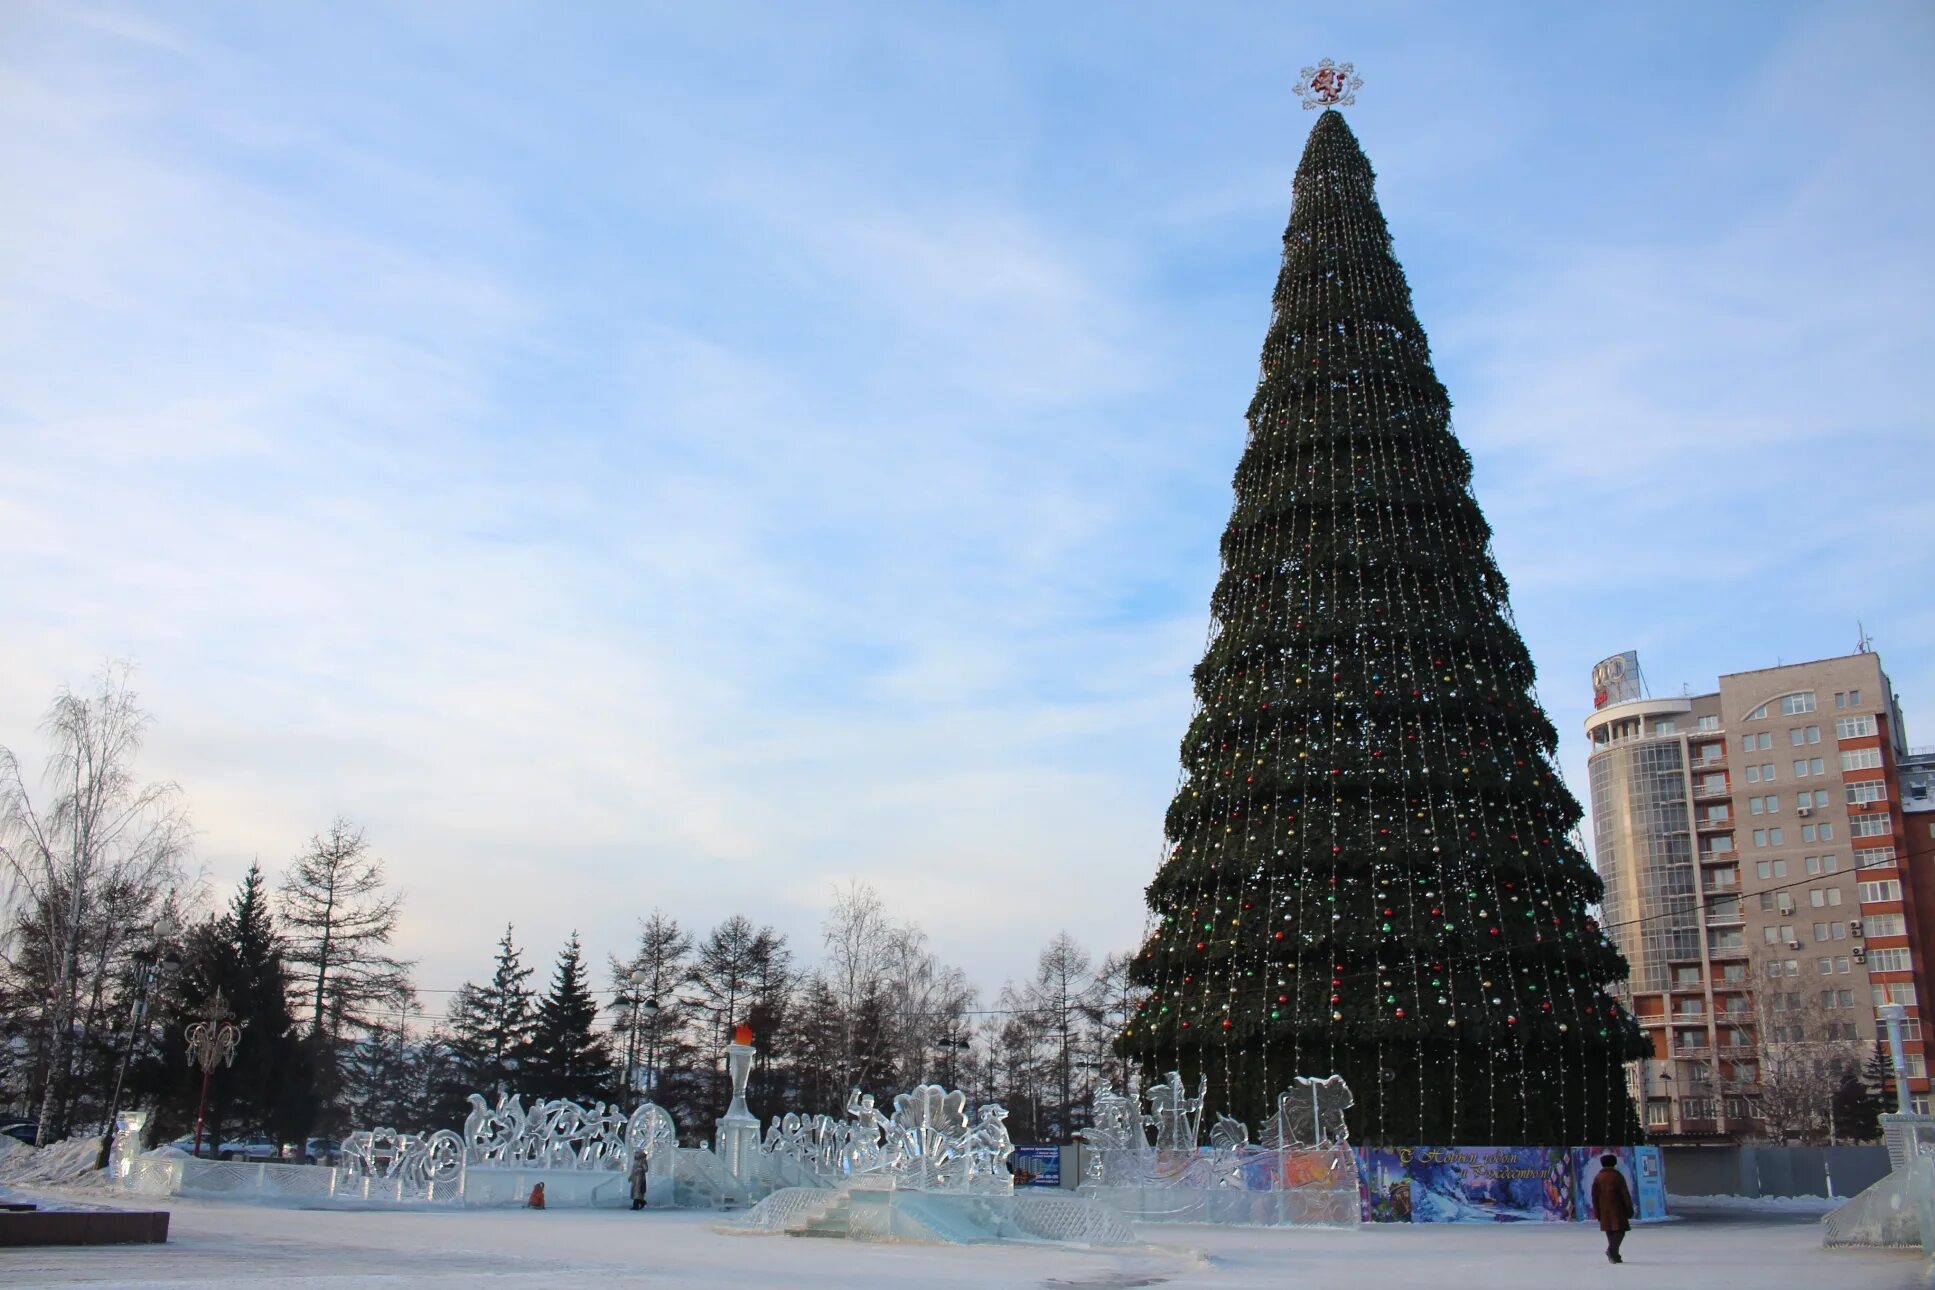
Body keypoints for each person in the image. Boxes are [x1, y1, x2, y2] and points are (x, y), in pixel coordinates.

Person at [1591, 1154, 1634, 1264]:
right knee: (1620, 1231)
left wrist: (1597, 1211)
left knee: (1610, 1232)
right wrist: (1629, 1208)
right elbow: (1625, 1193)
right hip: (1618, 1208)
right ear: (1614, 1163)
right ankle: (1612, 1251)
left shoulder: (1598, 1177)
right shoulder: (1617, 1176)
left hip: (1603, 1209)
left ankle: (1615, 1255)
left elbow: (1594, 1196)